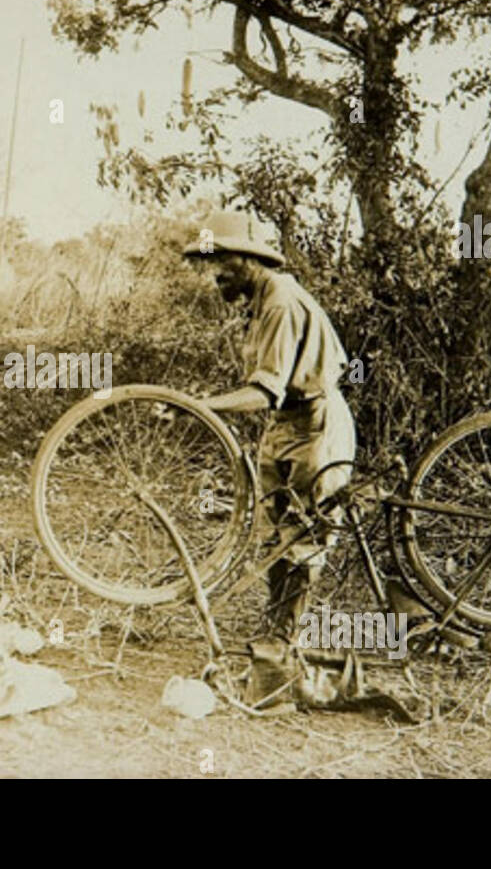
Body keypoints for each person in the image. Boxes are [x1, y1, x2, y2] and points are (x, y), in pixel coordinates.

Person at [184, 210, 357, 704]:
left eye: (219, 261)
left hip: (316, 426)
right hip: (286, 427)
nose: (212, 272)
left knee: (302, 539)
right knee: (275, 537)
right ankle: (276, 636)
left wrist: (200, 406)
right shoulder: (259, 302)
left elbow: (263, 391)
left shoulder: (280, 300)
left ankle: (281, 646)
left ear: (248, 258)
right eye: (207, 262)